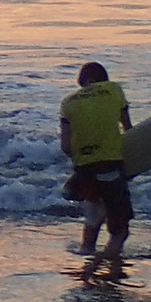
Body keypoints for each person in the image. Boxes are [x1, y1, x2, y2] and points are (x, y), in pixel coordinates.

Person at [58, 60, 133, 274]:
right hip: (110, 166)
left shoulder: (68, 102)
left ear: (84, 82)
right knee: (120, 231)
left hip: (85, 170)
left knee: (92, 221)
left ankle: (87, 261)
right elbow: (128, 129)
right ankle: (101, 263)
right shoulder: (114, 90)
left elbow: (65, 146)